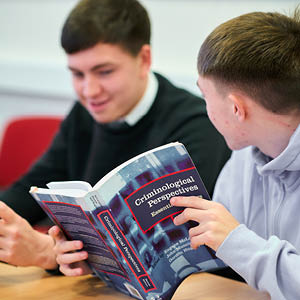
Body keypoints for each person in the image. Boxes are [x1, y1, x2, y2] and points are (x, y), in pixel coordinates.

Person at [0, 0, 230, 271]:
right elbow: (35, 184)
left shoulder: (196, 125)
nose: (90, 91)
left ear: (144, 59)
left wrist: (47, 253)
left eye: (104, 72)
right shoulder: (85, 112)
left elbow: (159, 245)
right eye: (77, 74)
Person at [170, 8, 300, 300]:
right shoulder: (246, 154)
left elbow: (232, 242)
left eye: (205, 95)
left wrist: (236, 241)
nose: (205, 109)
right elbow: (212, 251)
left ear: (235, 109)